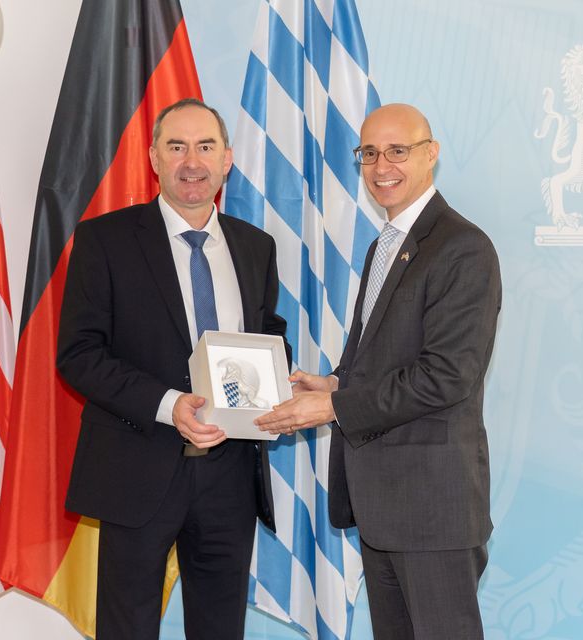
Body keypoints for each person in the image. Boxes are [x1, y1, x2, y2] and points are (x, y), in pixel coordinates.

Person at [255, 103, 501, 639]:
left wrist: (333, 406)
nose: (381, 164)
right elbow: (389, 359)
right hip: (383, 504)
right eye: (369, 153)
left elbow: (447, 375)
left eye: (398, 150)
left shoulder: (463, 248)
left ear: (430, 154)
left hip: (433, 507)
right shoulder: (385, 245)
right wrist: (334, 383)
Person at [57, 97, 289, 640]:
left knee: (219, 627)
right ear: (153, 158)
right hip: (137, 467)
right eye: (176, 146)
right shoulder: (104, 240)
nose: (192, 161)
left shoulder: (256, 247)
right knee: (128, 627)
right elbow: (80, 354)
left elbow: (266, 334)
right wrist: (169, 405)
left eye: (205, 146)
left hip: (231, 475)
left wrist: (281, 378)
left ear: (227, 159)